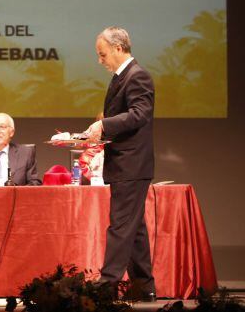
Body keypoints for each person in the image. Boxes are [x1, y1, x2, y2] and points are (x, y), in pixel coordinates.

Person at [83, 26, 156, 302]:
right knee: (134, 229)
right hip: (126, 163)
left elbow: (140, 114)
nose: (100, 60)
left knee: (121, 226)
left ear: (118, 48)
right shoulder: (121, 77)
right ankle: (145, 286)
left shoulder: (138, 76)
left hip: (132, 165)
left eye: (102, 55)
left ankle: (107, 285)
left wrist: (104, 125)